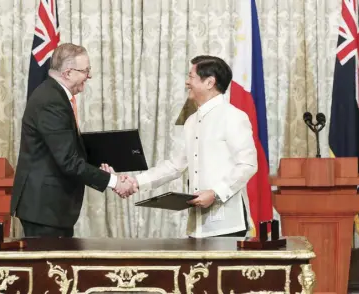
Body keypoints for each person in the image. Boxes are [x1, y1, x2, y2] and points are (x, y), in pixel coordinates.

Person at [102, 55, 257, 238]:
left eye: (191, 77)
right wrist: (136, 182)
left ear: (209, 82)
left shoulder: (233, 116)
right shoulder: (192, 121)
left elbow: (248, 165)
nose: (186, 82)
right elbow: (175, 166)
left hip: (228, 225)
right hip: (197, 226)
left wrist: (215, 193)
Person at [11, 43, 137, 237]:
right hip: (44, 209)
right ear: (68, 73)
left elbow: (65, 149)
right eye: (85, 70)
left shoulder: (55, 95)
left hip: (50, 208)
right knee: (50, 267)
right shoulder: (51, 101)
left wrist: (100, 166)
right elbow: (68, 161)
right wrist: (114, 182)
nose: (90, 75)